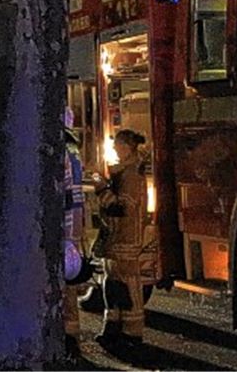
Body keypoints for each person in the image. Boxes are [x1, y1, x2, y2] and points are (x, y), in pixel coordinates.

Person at [92, 129, 148, 349]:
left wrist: (101, 189)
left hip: (125, 240)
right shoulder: (124, 172)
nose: (115, 149)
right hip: (115, 240)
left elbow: (120, 208)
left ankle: (132, 333)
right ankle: (113, 327)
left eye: (117, 145)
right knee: (112, 284)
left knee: (127, 285)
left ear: (127, 147)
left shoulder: (131, 176)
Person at [62, 113, 87, 359]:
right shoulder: (74, 150)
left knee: (62, 287)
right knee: (69, 284)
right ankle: (71, 339)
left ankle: (67, 342)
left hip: (63, 226)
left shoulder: (60, 148)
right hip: (74, 225)